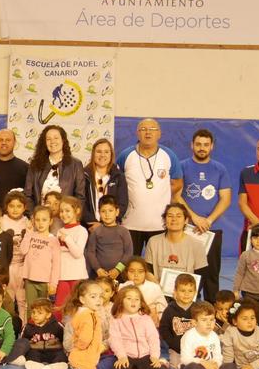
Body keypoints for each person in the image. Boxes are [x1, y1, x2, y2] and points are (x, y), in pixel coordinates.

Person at [176, 129, 231, 301]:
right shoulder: (181, 167)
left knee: (211, 274)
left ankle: (212, 315)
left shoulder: (219, 169)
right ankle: (187, 311)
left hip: (211, 230)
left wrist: (208, 220)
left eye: (206, 145)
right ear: (192, 145)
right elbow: (176, 195)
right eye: (198, 144)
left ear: (212, 146)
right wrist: (194, 218)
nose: (202, 148)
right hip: (187, 230)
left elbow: (225, 198)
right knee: (188, 272)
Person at [116, 118, 183, 255]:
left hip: (160, 224)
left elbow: (177, 182)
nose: (148, 133)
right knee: (130, 266)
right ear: (137, 133)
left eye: (152, 129)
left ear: (159, 133)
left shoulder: (169, 155)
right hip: (130, 223)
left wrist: (158, 194)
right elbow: (116, 183)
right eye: (143, 129)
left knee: (158, 266)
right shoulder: (126, 155)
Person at [37, 281, 105, 369]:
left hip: (76, 357)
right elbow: (85, 339)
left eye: (100, 296)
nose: (98, 299)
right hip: (85, 359)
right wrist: (81, 346)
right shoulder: (90, 316)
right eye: (93, 296)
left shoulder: (80, 313)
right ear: (82, 300)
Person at [179, 301, 245, 369]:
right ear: (194, 322)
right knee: (191, 368)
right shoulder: (188, 336)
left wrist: (215, 364)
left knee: (231, 367)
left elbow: (218, 355)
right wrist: (203, 363)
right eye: (204, 320)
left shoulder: (214, 336)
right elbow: (185, 359)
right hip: (193, 367)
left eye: (211, 319)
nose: (209, 323)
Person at [108, 286, 168, 369]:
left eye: (137, 299)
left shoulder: (145, 318)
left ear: (141, 303)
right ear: (121, 302)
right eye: (129, 298)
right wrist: (122, 356)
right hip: (127, 355)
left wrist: (154, 356)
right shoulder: (116, 319)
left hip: (145, 355)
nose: (133, 301)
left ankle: (162, 362)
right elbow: (115, 339)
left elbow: (153, 338)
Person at [24, 125, 86, 208]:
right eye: (48, 139)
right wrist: (33, 215)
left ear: (63, 140)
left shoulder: (76, 164)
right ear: (44, 143)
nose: (52, 142)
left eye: (56, 138)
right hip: (40, 217)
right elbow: (27, 195)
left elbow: (80, 197)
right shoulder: (35, 165)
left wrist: (71, 216)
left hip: (65, 217)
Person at [144, 203, 207, 284]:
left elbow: (201, 276)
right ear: (164, 219)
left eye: (178, 216)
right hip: (159, 291)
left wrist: (186, 291)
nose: (174, 219)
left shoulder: (197, 245)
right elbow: (148, 271)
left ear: (186, 220)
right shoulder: (153, 242)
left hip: (186, 293)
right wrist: (158, 287)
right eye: (170, 216)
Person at [17, 206, 61, 319]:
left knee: (44, 309)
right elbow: (23, 250)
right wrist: (28, 233)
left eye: (44, 220)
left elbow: (56, 264)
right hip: (30, 279)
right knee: (31, 308)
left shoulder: (53, 240)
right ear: (33, 221)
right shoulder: (30, 235)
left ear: (50, 221)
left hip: (45, 282)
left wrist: (53, 284)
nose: (40, 223)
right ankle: (30, 331)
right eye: (37, 220)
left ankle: (43, 332)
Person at [2, 298, 66, 369]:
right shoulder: (27, 327)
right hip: (36, 351)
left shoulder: (57, 325)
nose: (35, 315)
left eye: (39, 313)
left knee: (60, 355)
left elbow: (64, 339)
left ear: (48, 315)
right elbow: (23, 342)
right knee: (32, 355)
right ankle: (37, 366)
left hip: (53, 351)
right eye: (33, 312)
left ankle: (57, 366)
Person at [82, 138, 128, 229]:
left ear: (111, 155)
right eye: (99, 151)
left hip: (111, 227)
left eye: (106, 152)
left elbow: (122, 203)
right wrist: (92, 223)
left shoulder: (119, 176)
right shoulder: (83, 175)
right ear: (93, 154)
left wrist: (107, 223)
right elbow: (80, 202)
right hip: (88, 227)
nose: (102, 155)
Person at [85, 195, 133, 280]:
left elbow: (128, 253)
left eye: (110, 211)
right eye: (103, 211)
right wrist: (98, 269)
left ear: (117, 212)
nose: (107, 214)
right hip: (100, 275)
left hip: (120, 274)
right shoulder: (96, 232)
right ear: (99, 213)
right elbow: (90, 252)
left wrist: (118, 269)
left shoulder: (124, 231)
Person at [159, 273, 199, 369]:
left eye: (190, 291)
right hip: (176, 348)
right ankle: (167, 362)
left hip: (194, 348)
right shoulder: (170, 309)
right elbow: (164, 328)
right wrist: (172, 343)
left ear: (195, 292)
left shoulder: (197, 309)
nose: (186, 294)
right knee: (176, 367)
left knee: (195, 365)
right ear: (175, 292)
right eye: (182, 290)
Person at [55, 196, 89, 306]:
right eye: (61, 211)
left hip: (77, 275)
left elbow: (77, 253)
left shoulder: (82, 231)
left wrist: (67, 239)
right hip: (62, 276)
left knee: (78, 305)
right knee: (60, 306)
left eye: (67, 211)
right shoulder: (60, 231)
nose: (64, 214)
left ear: (77, 211)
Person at [0, 129, 29, 206]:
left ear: (14, 143)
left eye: (8, 140)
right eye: (0, 140)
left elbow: (28, 197)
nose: (4, 143)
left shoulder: (25, 168)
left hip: (15, 216)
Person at [119, 256, 166, 325]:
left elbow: (163, 307)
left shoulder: (154, 287)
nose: (136, 275)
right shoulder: (122, 288)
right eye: (132, 271)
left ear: (145, 273)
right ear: (126, 273)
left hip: (150, 324)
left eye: (140, 271)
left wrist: (157, 315)